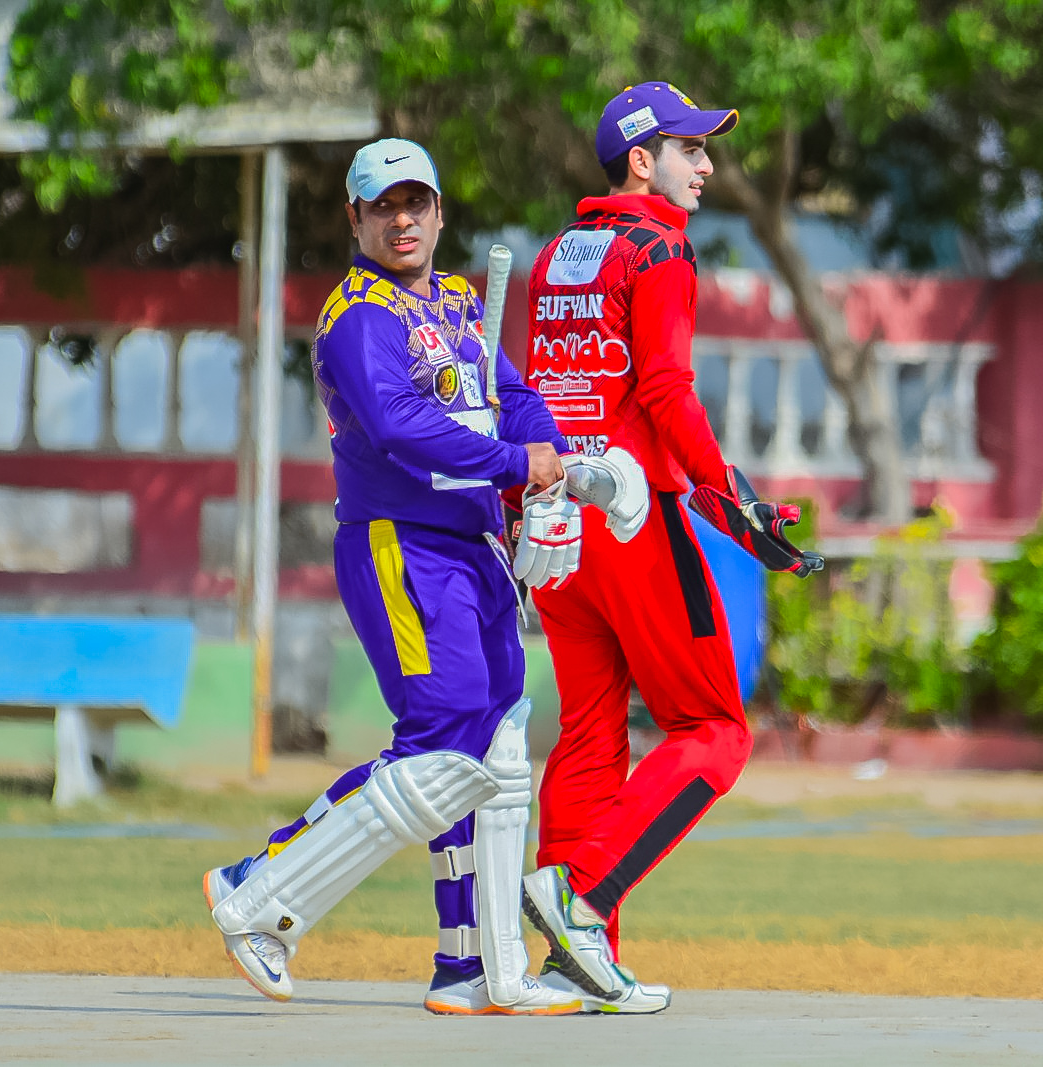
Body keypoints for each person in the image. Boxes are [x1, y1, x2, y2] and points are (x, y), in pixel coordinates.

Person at [200, 138, 640, 1017]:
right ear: (355, 217)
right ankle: (259, 892)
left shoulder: (457, 300)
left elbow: (512, 395)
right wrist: (516, 462)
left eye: (416, 203)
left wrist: (551, 457)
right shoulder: (358, 316)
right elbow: (400, 426)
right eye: (384, 206)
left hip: (474, 548)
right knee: (443, 746)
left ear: (439, 212)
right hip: (403, 546)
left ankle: (477, 967)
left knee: (496, 751)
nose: (402, 220)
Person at [518, 83, 824, 1014]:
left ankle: (576, 959)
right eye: (692, 149)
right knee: (716, 731)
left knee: (589, 732)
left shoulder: (557, 253)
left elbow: (537, 389)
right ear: (642, 161)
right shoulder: (659, 247)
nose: (708, 165)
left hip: (557, 523)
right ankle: (582, 896)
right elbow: (664, 388)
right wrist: (732, 499)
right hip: (630, 518)